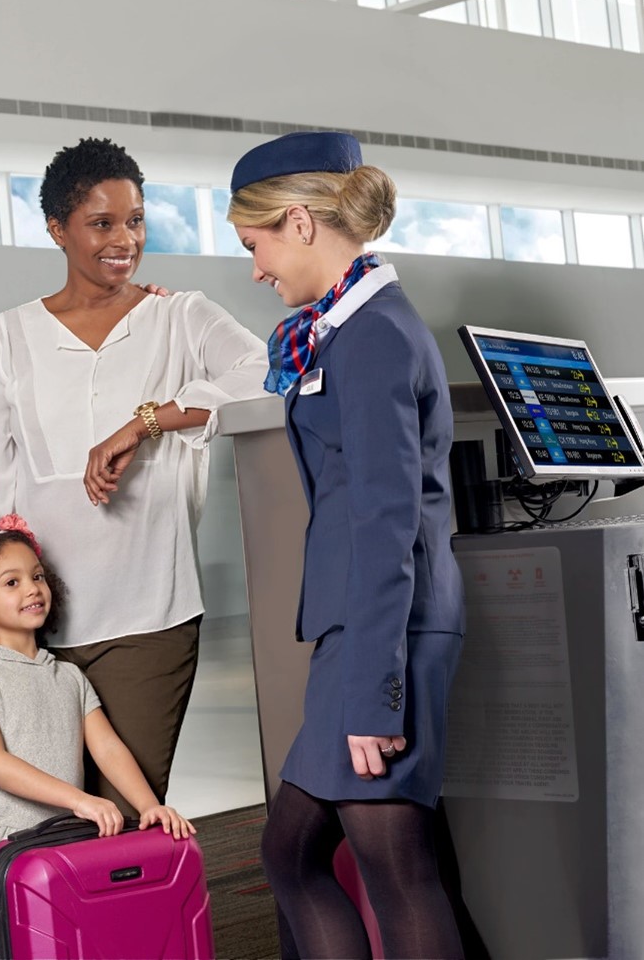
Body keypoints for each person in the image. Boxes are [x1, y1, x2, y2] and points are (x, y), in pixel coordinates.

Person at [0, 138, 269, 816]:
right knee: (43, 817)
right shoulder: (6, 336)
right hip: (40, 625)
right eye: (102, 223)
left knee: (128, 814)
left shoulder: (179, 316)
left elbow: (264, 377)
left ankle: (123, 927)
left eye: (135, 220)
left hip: (152, 617)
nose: (124, 239)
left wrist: (150, 420)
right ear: (57, 228)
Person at [226, 131, 465, 959]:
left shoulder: (374, 339)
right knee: (291, 854)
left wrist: (374, 694)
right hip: (359, 635)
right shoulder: (343, 330)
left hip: (382, 638)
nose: (255, 269)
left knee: (393, 866)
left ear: (297, 222)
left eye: (253, 244)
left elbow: (385, 524)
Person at [0, 510, 194, 923]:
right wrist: (80, 800)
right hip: (3, 850)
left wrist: (148, 805)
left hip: (63, 844)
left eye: (37, 576)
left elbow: (106, 746)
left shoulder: (68, 675)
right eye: (11, 582)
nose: (31, 589)